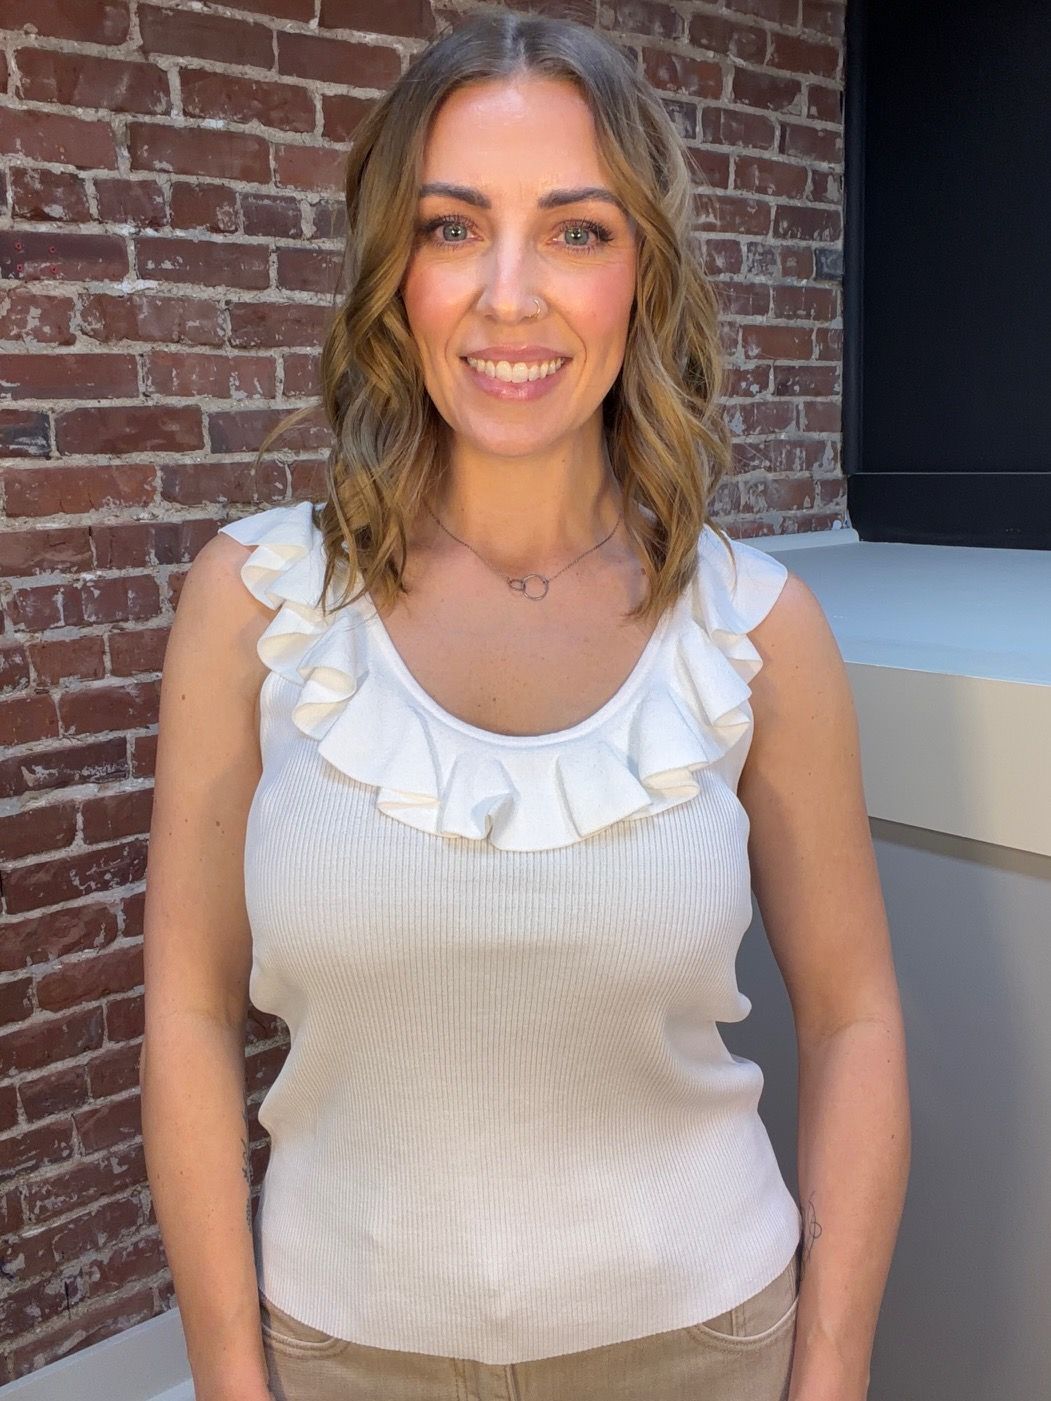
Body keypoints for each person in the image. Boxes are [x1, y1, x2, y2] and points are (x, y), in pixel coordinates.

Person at [140, 12, 910, 1401]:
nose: (509, 294)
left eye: (573, 230)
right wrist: (226, 1373)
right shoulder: (250, 608)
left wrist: (834, 1372)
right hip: (337, 1356)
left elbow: (855, 1017)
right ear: (393, 275)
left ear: (643, 273)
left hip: (706, 1350)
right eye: (450, 229)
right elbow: (189, 1012)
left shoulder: (758, 634)